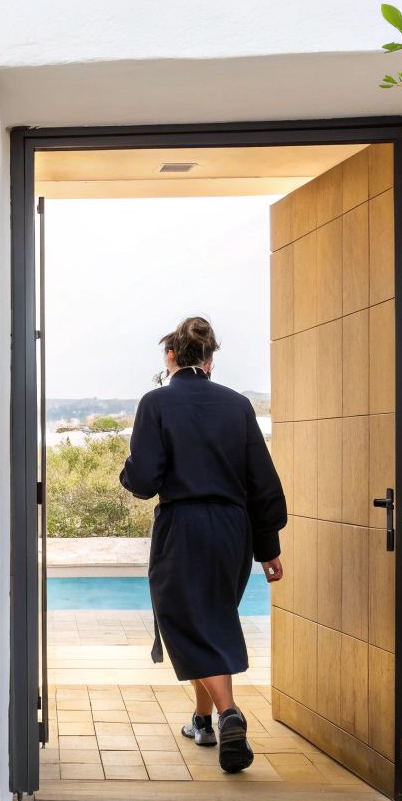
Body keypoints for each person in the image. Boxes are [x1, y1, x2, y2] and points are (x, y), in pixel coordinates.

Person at [120, 316, 287, 774]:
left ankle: (230, 713)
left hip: (184, 525)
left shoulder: (156, 402)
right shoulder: (237, 406)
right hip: (232, 529)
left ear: (170, 356)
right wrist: (267, 545)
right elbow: (262, 482)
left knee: (187, 622)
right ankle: (203, 719)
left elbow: (144, 478)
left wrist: (128, 472)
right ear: (210, 360)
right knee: (209, 619)